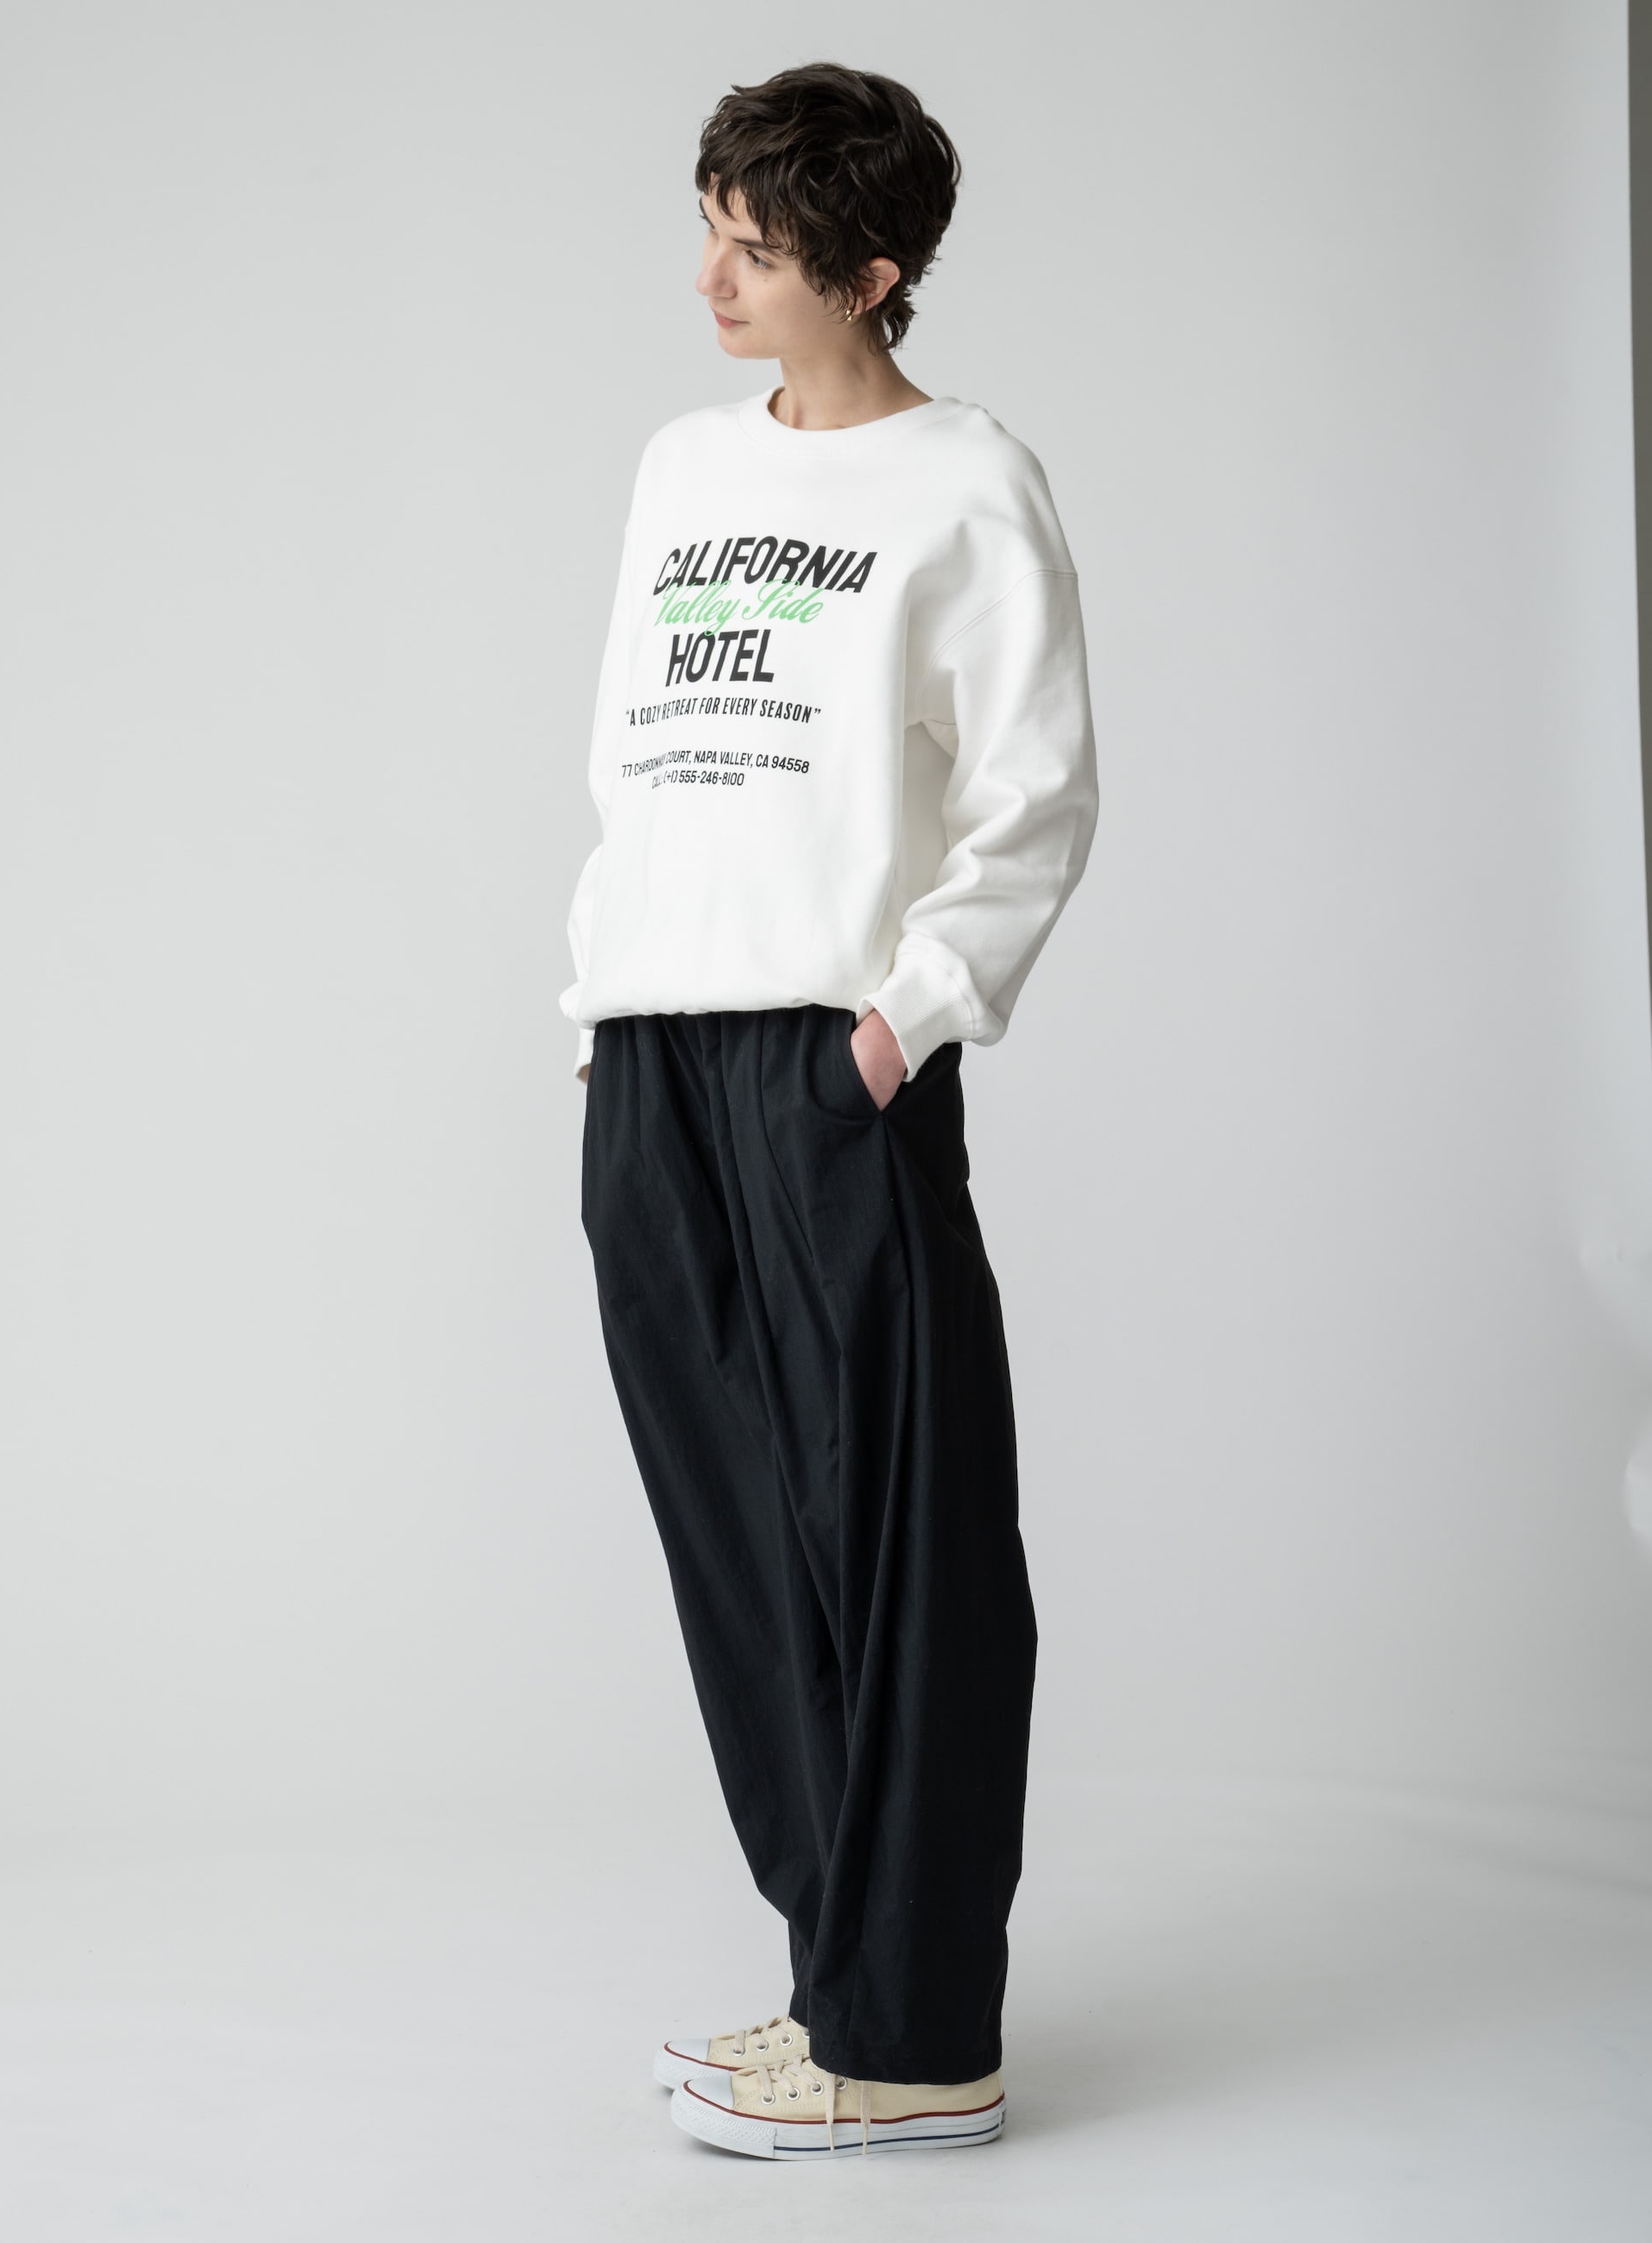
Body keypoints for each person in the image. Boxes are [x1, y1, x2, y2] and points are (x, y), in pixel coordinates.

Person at [560, 60, 1099, 2159]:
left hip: (827, 1058)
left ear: (870, 275)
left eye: (756, 250)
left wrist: (901, 1026)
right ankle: (843, 1995)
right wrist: (601, 1004)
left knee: (897, 1531)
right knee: (739, 1543)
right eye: (708, 231)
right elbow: (633, 761)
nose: (710, 280)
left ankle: (922, 2033)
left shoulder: (969, 480)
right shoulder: (680, 467)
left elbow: (1034, 796)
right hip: (653, 1054)